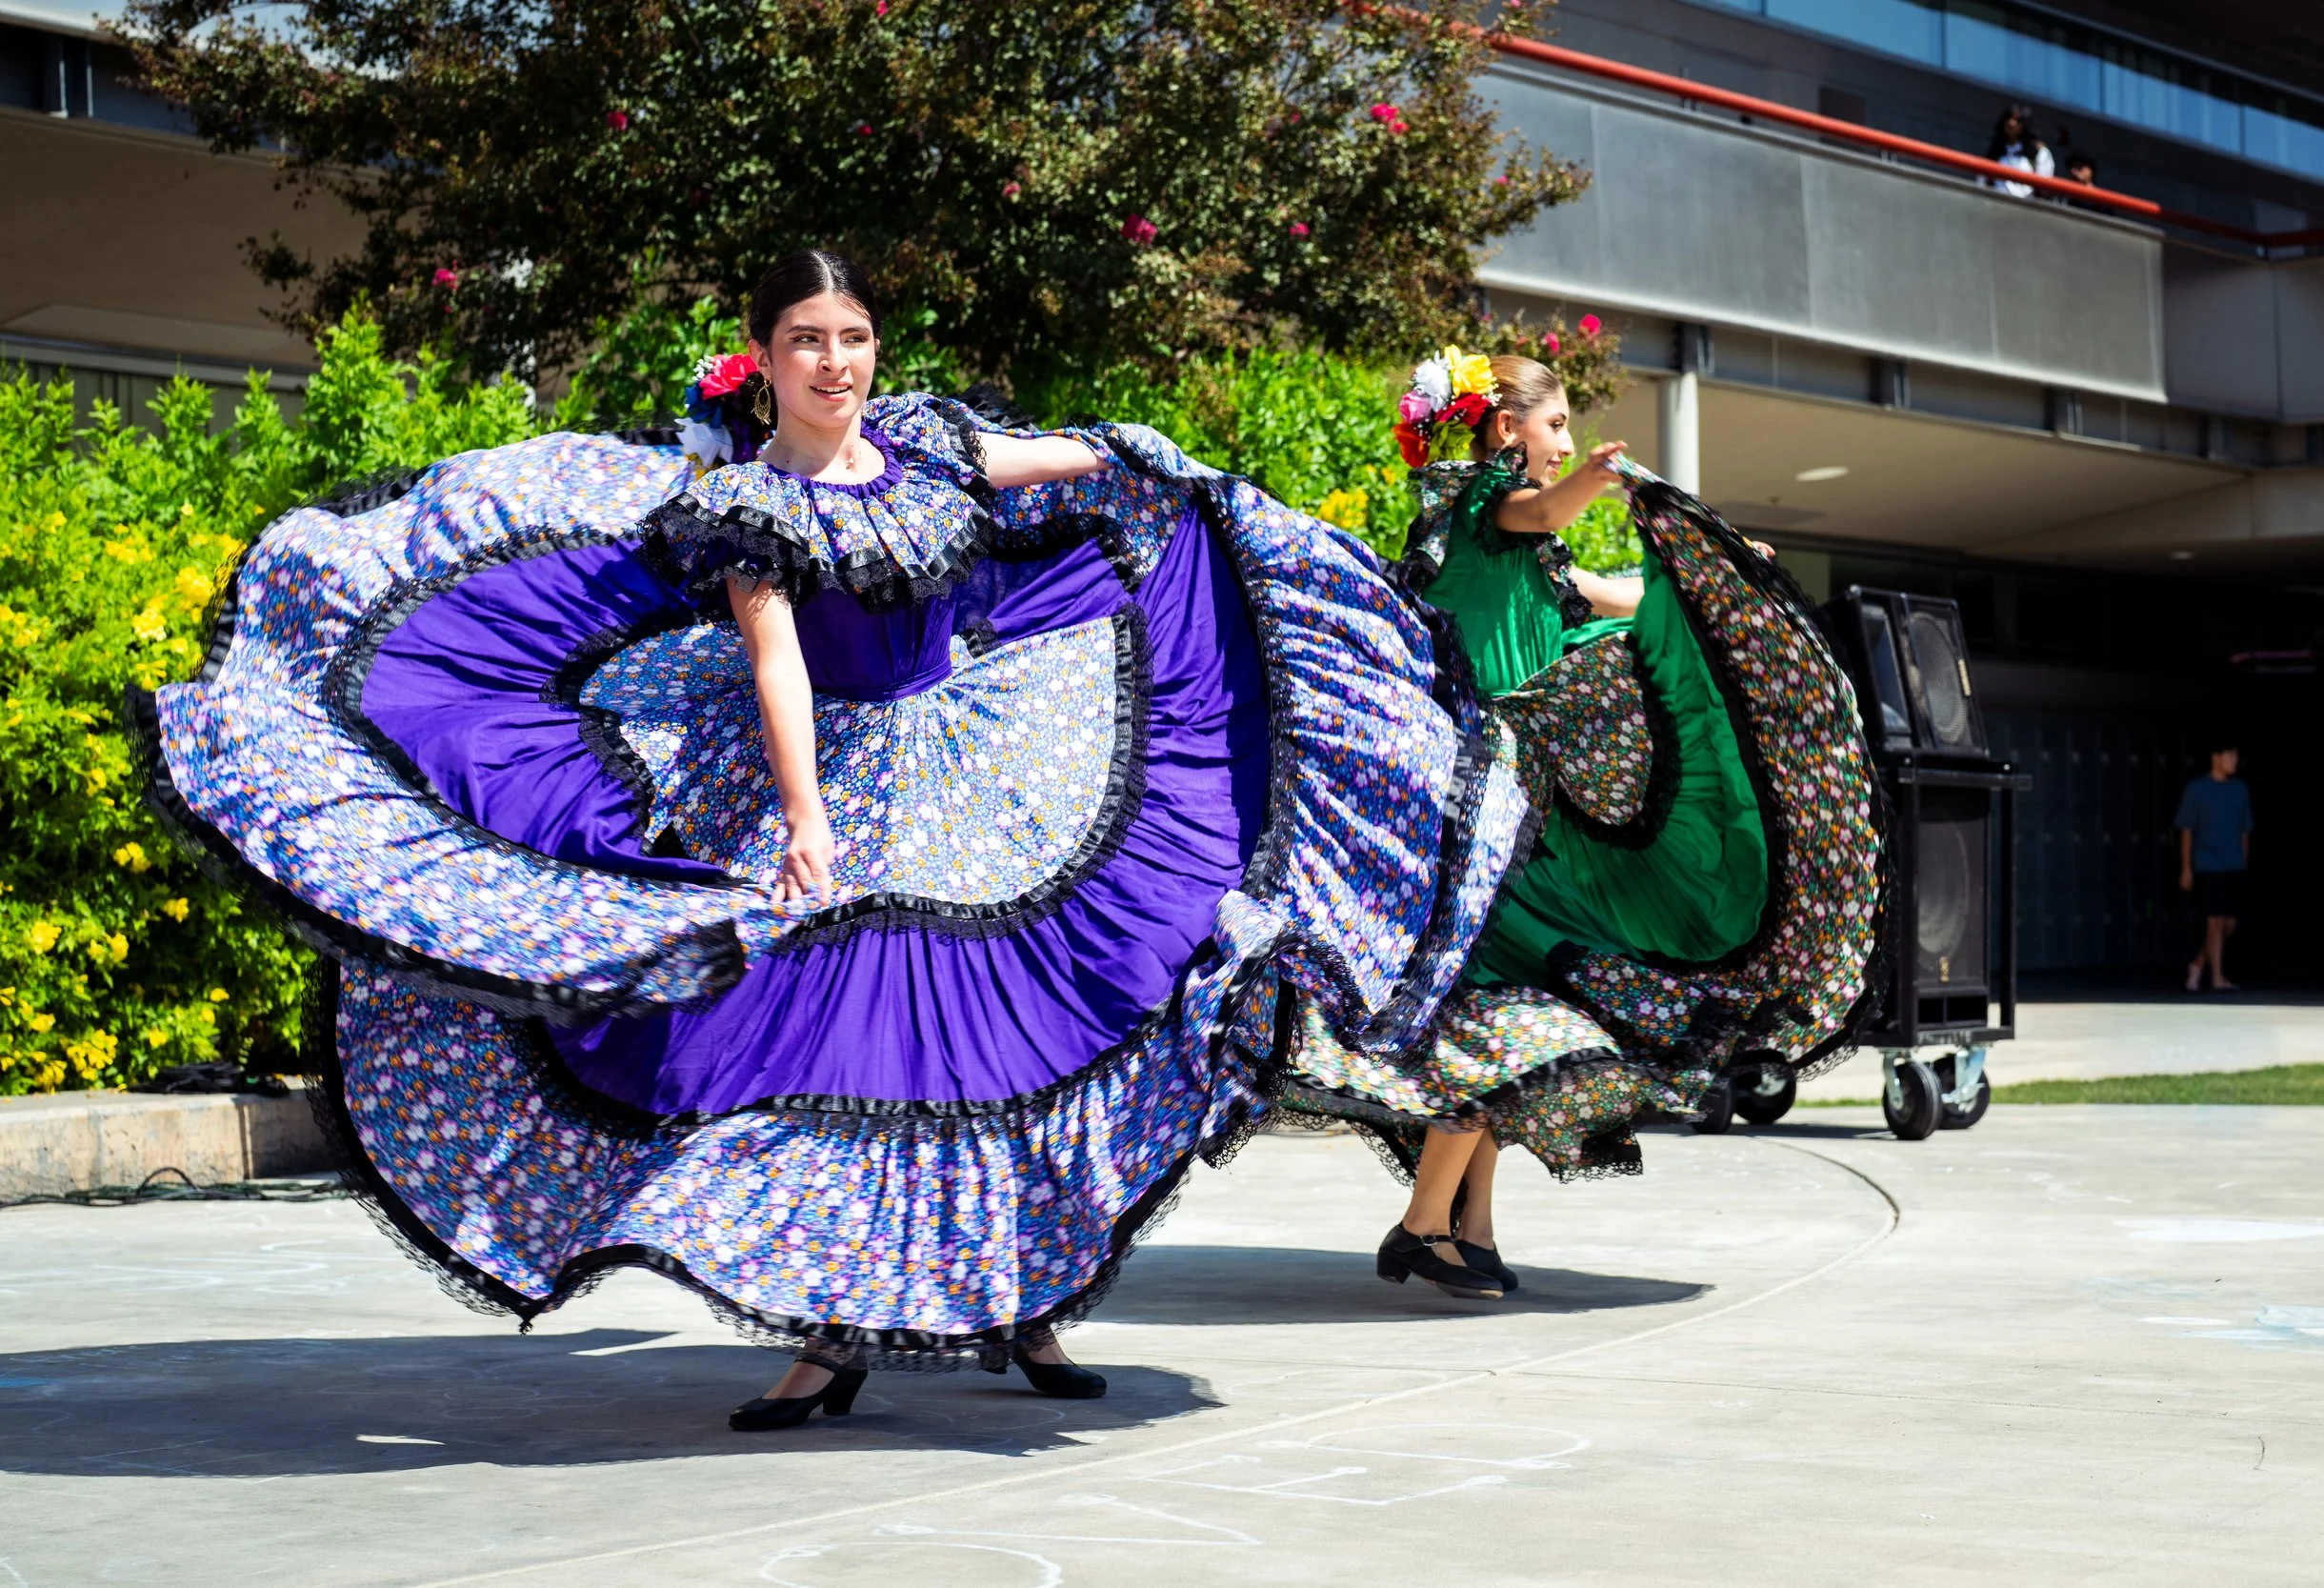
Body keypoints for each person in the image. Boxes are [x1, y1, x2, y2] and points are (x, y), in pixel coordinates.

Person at [133, 251, 1533, 1427]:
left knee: (1020, 1037)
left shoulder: (926, 443)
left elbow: (1074, 464)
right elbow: (780, 663)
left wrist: (1155, 470)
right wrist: (804, 825)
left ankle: (1026, 1305)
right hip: (838, 775)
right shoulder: (749, 500)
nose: (837, 362)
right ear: (762, 355)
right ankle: (835, 1335)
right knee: (846, 1060)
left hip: (990, 755)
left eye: (854, 337)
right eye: (809, 341)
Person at [1288, 349, 1883, 1296]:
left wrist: (1717, 578)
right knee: (1507, 1019)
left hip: (1523, 818)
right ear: (1505, 429)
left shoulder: (1532, 549)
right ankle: (1418, 1224)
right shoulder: (1477, 515)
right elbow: (1543, 508)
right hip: (1468, 821)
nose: (1564, 442)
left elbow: (1630, 599)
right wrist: (1605, 478)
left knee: (1517, 1016)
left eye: (1569, 430)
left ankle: (1466, 1229)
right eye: (1555, 424)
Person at [2176, 744, 2254, 992]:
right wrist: (2186, 868)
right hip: (2209, 863)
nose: (2235, 761)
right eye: (2230, 755)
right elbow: (2186, 830)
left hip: (2234, 864)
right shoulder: (2197, 789)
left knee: (2229, 924)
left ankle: (2198, 963)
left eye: (2236, 756)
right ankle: (2217, 977)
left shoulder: (2240, 789)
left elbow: (2245, 829)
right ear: (2215, 758)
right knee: (2215, 921)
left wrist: (2243, 861)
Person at [1983, 104, 2054, 198]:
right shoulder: (1996, 150)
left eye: (2017, 121)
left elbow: (2044, 189)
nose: (2011, 123)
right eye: (2008, 118)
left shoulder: (2039, 152)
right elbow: (1982, 181)